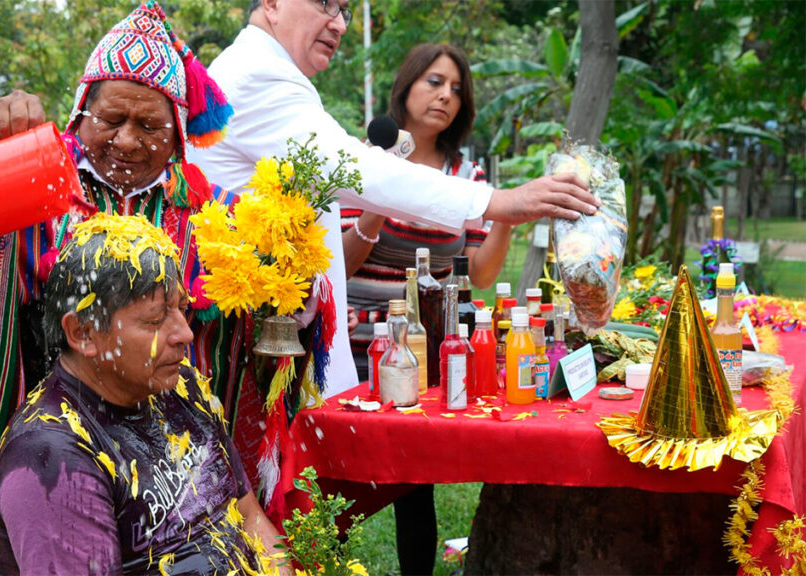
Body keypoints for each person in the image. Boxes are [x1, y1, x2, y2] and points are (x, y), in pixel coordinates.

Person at [0, 1, 251, 552]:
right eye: (110, 119)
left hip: (161, 445)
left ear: (180, 134)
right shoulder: (31, 173)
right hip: (38, 437)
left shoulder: (206, 210)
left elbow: (244, 323)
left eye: (149, 125)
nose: (126, 140)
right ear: (79, 113)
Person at [187, 0, 600, 402]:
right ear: (273, 4)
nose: (340, 24)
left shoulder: (270, 71)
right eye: (325, 4)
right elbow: (353, 169)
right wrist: (499, 201)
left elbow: (477, 271)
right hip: (249, 339)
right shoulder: (258, 74)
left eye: (344, 10)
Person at [0, 213, 286, 575]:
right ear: (83, 333)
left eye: (181, 309)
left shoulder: (182, 387)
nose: (184, 335)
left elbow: (250, 516)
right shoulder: (51, 457)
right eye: (155, 320)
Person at [340, 43, 504, 576]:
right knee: (337, 477)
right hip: (355, 342)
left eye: (456, 89)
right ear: (407, 86)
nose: (445, 97)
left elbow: (480, 274)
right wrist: (377, 200)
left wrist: (508, 213)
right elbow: (336, 264)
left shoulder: (466, 175)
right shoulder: (363, 159)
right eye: (434, 82)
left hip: (422, 350)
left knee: (416, 482)